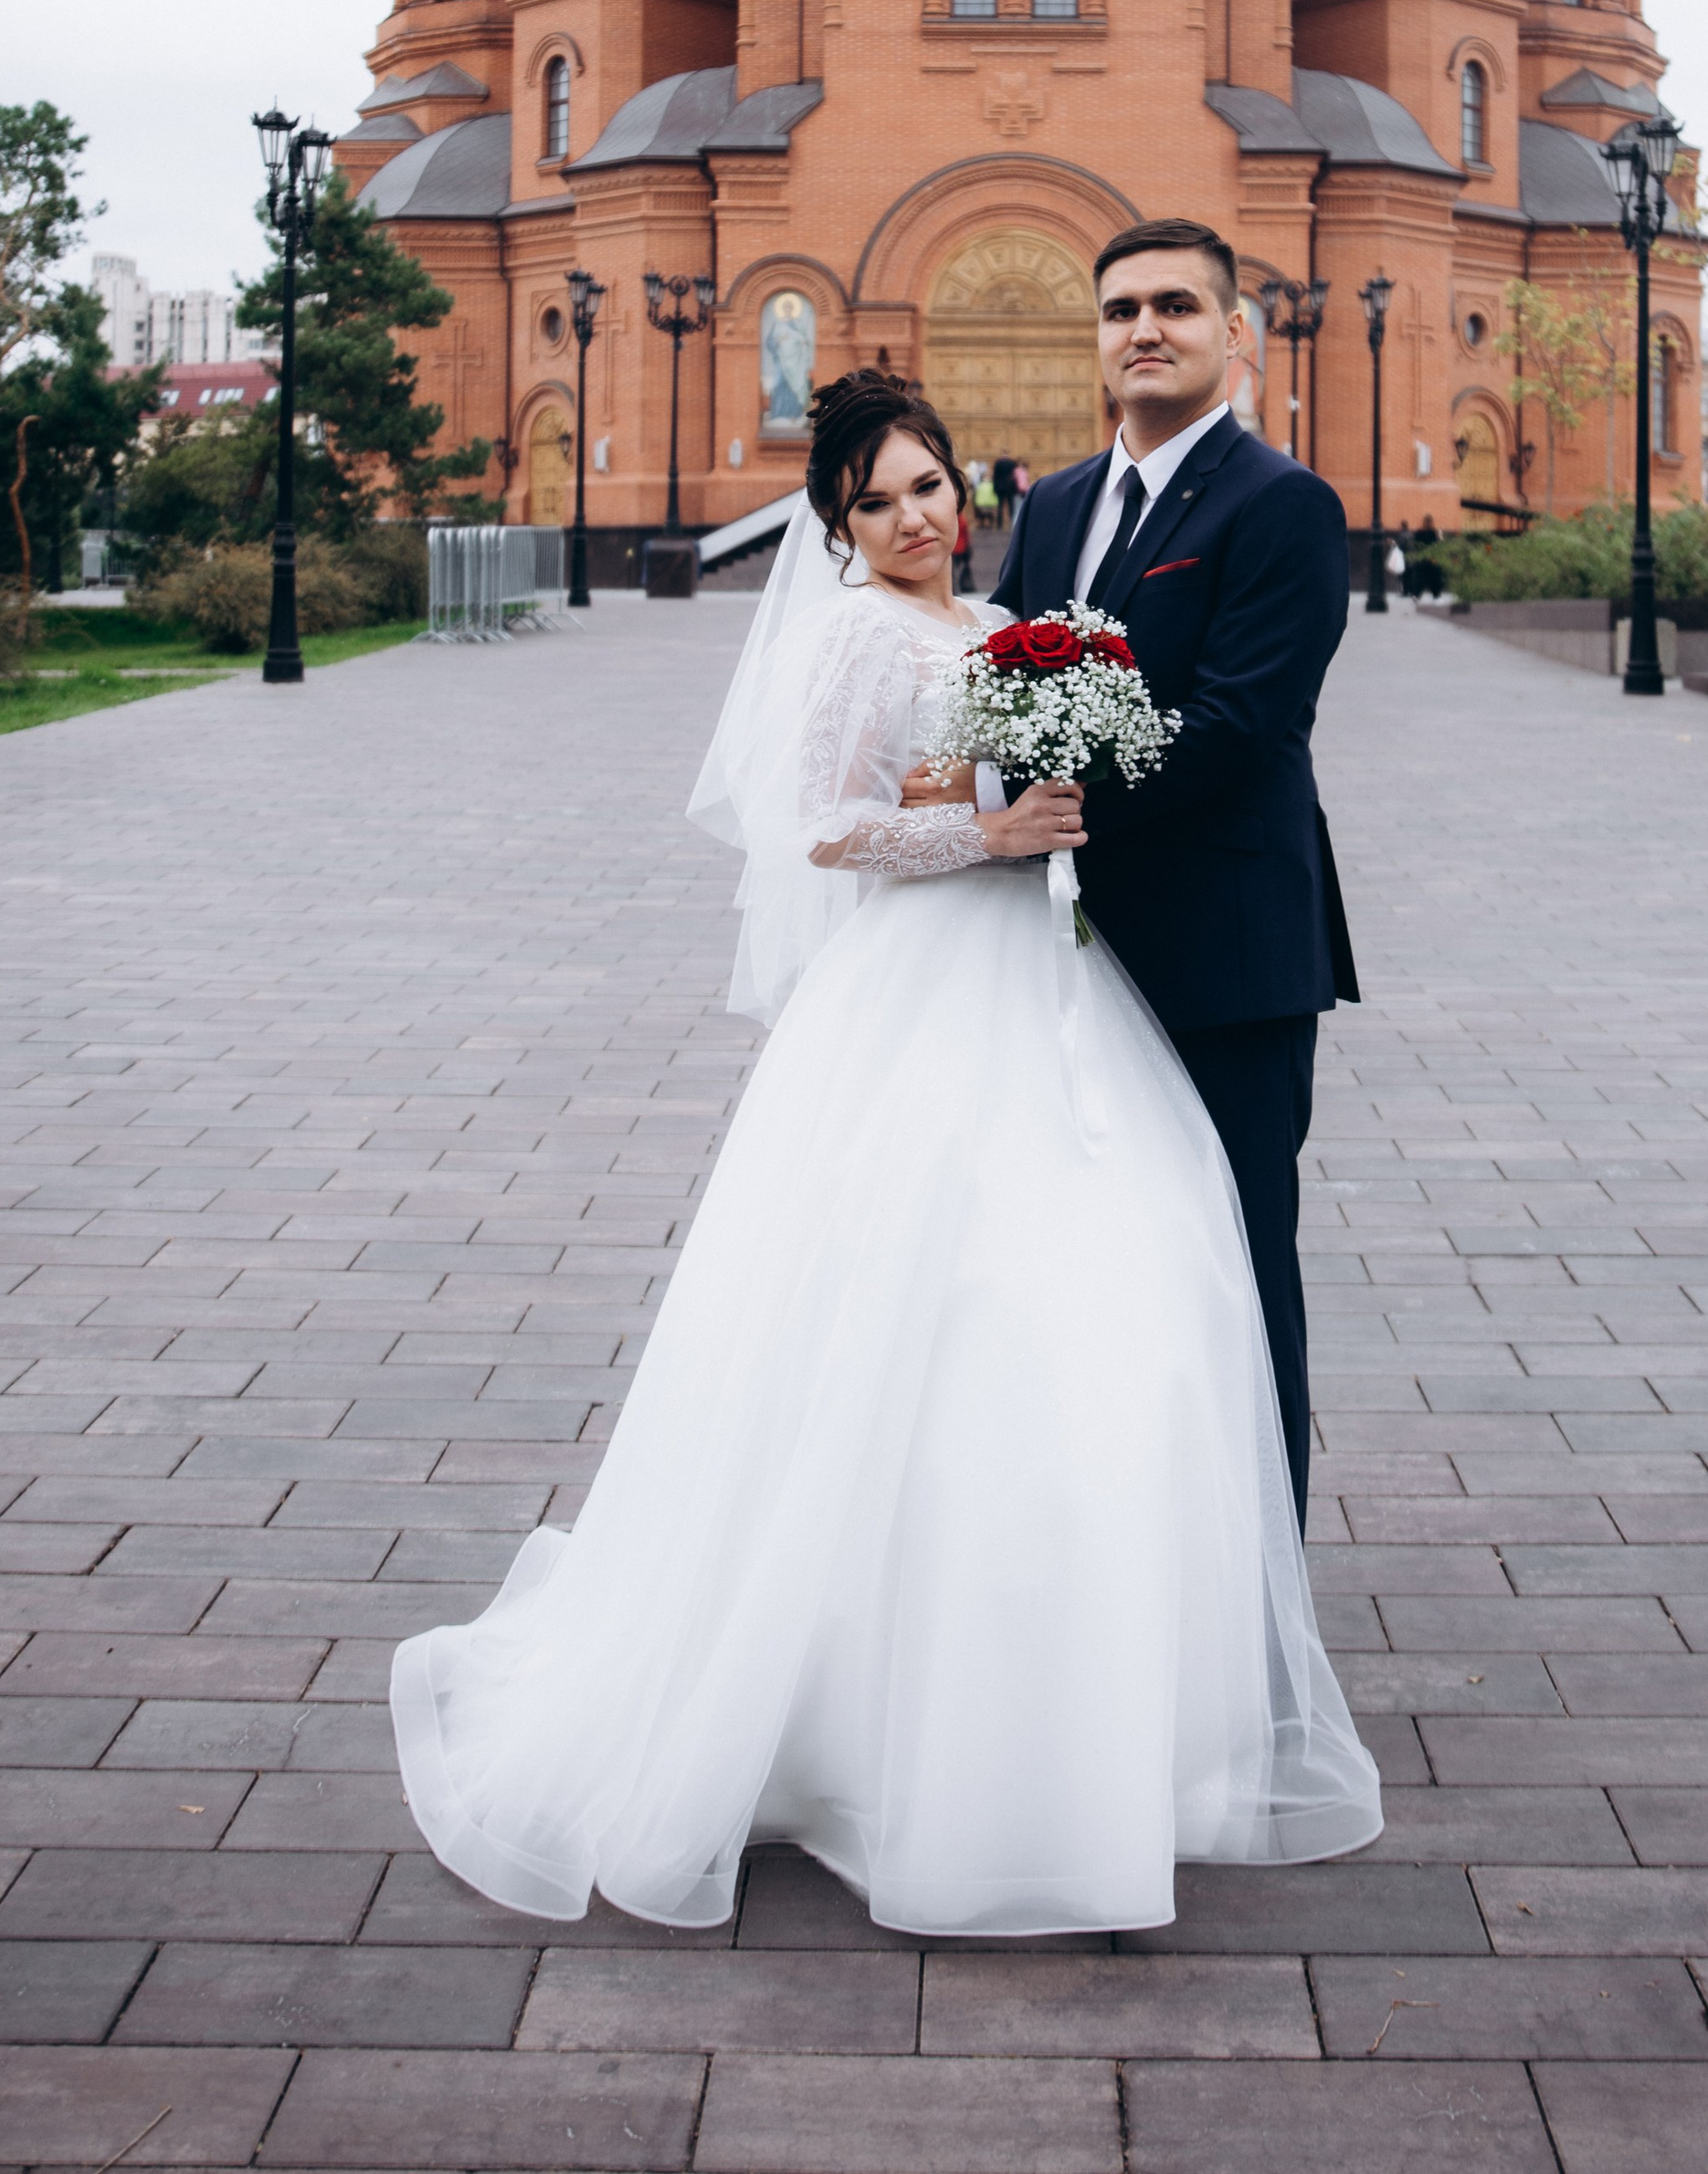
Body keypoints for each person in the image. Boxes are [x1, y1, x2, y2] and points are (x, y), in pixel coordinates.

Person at [389, 368, 1378, 1939]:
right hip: (922, 994)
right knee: (904, 1313)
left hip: (1048, 985)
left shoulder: (1007, 630)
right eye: (880, 501)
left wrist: (1053, 809)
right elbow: (823, 826)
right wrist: (984, 836)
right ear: (838, 529)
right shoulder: (857, 633)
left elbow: (1086, 771)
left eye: (930, 485)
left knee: (1072, 1312)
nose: (919, 515)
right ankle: (851, 1714)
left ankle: (1062, 1697)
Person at [997, 221, 1357, 1519]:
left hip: (1227, 960)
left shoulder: (1282, 504)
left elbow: (1240, 723)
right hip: (1064, 953)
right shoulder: (1051, 507)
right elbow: (1010, 682)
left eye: (1175, 307)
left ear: (1233, 333)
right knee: (1094, 1261)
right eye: (1120, 310)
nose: (1144, 329)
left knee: (1236, 1257)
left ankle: (1263, 1580)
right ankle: (1134, 1556)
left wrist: (1058, 804)